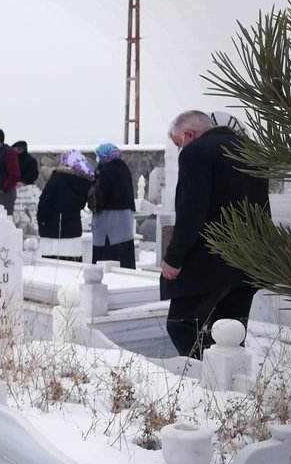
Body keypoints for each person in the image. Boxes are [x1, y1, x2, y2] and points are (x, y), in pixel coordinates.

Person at [161, 110, 270, 358]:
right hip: (250, 261)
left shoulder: (196, 152)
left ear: (189, 134)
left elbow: (191, 211)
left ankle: (206, 378)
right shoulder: (253, 151)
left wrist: (174, 258)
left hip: (209, 261)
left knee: (181, 324)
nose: (180, 150)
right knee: (230, 332)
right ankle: (227, 390)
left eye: (179, 144)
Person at [36, 149, 93, 262]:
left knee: (53, 270)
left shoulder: (58, 178)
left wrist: (41, 222)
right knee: (72, 268)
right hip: (73, 232)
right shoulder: (84, 181)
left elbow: (45, 202)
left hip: (53, 231)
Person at [90, 142, 136, 269]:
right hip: (124, 224)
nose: (97, 159)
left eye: (98, 156)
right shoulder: (124, 169)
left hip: (108, 225)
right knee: (124, 260)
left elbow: (98, 199)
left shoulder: (105, 172)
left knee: (107, 261)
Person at [0, 128, 20, 214]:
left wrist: (4, 188)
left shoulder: (9, 153)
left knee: (5, 217)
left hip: (5, 192)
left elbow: (14, 174)